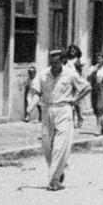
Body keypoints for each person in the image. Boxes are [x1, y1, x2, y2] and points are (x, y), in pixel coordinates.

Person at [31, 49, 89, 191]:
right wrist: (30, 106)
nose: (53, 65)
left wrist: (75, 100)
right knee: (46, 146)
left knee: (60, 145)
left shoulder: (70, 74)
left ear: (62, 61)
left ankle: (54, 180)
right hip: (47, 111)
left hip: (64, 111)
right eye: (51, 62)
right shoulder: (43, 75)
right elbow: (37, 93)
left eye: (56, 62)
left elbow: (87, 87)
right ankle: (59, 169)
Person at [88, 54, 103, 135]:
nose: (99, 60)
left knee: (99, 108)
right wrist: (94, 71)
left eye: (101, 59)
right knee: (96, 109)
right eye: (98, 59)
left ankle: (97, 129)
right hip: (94, 88)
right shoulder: (92, 67)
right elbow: (88, 78)